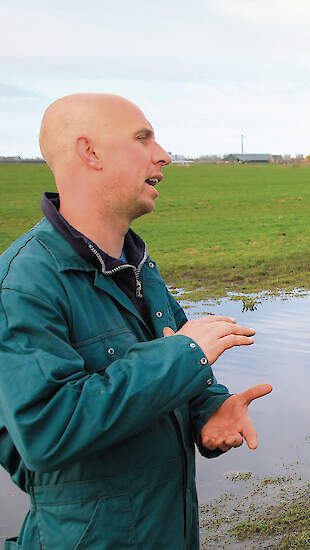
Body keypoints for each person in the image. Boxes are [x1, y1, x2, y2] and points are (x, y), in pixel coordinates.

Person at [0, 93, 272, 549]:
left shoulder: (138, 265)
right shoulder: (25, 284)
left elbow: (178, 376)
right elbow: (47, 431)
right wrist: (184, 356)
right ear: (91, 152)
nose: (163, 154)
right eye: (143, 137)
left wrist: (209, 412)